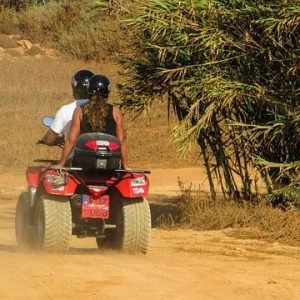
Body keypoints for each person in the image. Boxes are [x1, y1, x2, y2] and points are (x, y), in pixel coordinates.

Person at [54, 74, 129, 169]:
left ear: (88, 90)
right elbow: (121, 141)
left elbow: (71, 140)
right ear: (107, 92)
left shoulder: (79, 110)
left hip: (83, 163)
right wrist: (125, 165)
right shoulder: (116, 112)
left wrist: (61, 163)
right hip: (110, 165)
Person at [39, 69, 94, 145]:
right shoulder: (106, 109)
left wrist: (44, 140)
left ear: (76, 89)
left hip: (75, 156)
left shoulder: (65, 110)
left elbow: (49, 140)